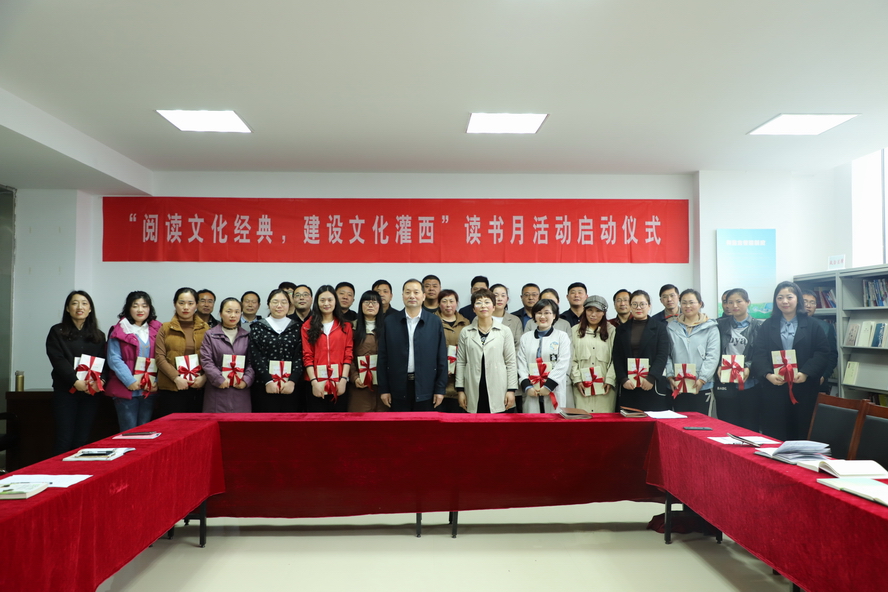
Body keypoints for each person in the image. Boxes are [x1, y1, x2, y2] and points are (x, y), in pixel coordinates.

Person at [751, 281, 830, 441]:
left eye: (789, 297)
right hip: (775, 387)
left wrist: (806, 372)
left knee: (802, 431)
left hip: (804, 387)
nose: (784, 301)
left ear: (798, 299)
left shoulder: (812, 325)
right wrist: (768, 375)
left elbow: (822, 352)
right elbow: (758, 354)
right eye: (780, 298)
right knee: (775, 432)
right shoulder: (767, 325)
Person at [45, 290, 108, 454]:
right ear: (67, 308)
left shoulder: (99, 336)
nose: (80, 307)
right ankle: (58, 469)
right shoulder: (57, 332)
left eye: (84, 303)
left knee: (82, 440)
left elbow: (104, 362)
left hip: (90, 393)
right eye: (74, 303)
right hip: (65, 392)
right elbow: (58, 360)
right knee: (64, 439)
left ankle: (78, 470)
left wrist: (100, 381)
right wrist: (75, 381)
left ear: (90, 309)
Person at [377, 279, 447, 412]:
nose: (412, 296)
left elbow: (441, 357)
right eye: (408, 292)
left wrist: (440, 389)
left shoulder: (434, 322)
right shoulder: (390, 321)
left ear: (423, 296)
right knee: (400, 423)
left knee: (424, 423)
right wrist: (384, 389)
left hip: (426, 387)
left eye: (416, 292)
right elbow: (382, 358)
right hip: (398, 387)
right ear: (402, 295)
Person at [105, 291, 162, 432]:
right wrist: (129, 380)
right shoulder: (119, 330)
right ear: (128, 308)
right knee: (129, 432)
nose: (140, 310)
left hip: (149, 389)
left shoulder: (158, 329)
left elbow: (162, 357)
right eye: (135, 306)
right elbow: (114, 358)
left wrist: (157, 382)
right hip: (126, 388)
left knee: (145, 431)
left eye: (144, 306)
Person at [455, 289, 518, 413]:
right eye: (478, 303)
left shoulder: (504, 331)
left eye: (487, 302)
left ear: (493, 307)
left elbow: (511, 362)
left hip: (499, 387)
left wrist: (511, 390)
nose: (483, 306)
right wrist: (460, 390)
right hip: (472, 388)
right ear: (473, 309)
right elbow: (461, 362)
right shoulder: (466, 332)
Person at [612, 290, 671, 411]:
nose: (638, 307)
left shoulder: (660, 328)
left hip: (651, 384)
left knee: (652, 420)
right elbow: (617, 356)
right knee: (629, 420)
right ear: (630, 306)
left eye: (642, 304)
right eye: (634, 304)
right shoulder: (621, 329)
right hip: (629, 385)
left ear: (649, 306)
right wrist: (623, 379)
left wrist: (652, 377)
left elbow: (662, 355)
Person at [154, 287, 209, 417]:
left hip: (197, 386)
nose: (186, 307)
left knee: (195, 425)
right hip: (171, 386)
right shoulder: (165, 328)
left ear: (196, 305)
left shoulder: (206, 328)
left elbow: (212, 357)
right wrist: (176, 378)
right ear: (175, 304)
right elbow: (160, 357)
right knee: (172, 425)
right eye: (181, 303)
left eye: (190, 303)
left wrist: (204, 378)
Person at [714, 288, 763, 431]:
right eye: (730, 302)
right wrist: (718, 365)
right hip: (726, 383)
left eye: (738, 301)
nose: (734, 305)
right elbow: (714, 350)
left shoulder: (759, 326)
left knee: (750, 426)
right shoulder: (720, 325)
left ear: (748, 302)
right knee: (727, 426)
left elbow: (761, 353)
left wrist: (749, 366)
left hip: (750, 383)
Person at [665, 289, 720, 414]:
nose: (687, 306)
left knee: (701, 422)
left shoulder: (711, 327)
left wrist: (702, 379)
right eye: (684, 303)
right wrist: (670, 376)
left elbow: (713, 356)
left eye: (691, 302)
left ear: (700, 303)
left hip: (702, 385)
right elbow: (666, 355)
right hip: (677, 385)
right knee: (679, 422)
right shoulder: (671, 327)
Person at [249, 289, 304, 413]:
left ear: (289, 305)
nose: (279, 306)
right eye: (275, 302)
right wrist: (268, 381)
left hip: (291, 386)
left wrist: (292, 381)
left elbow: (300, 356)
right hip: (264, 385)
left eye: (284, 302)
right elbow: (256, 356)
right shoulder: (258, 327)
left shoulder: (297, 327)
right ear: (268, 304)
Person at [302, 285, 354, 412]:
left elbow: (348, 354)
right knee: (317, 421)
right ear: (317, 302)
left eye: (330, 300)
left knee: (339, 420)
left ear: (335, 301)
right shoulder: (307, 326)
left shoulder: (345, 326)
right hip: (315, 382)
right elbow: (307, 355)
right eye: (322, 300)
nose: (326, 304)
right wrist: (314, 382)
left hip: (339, 382)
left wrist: (343, 380)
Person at [200, 298, 255, 413]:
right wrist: (218, 379)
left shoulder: (247, 336)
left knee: (241, 422)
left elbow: (252, 362)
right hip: (217, 390)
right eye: (229, 311)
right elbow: (206, 360)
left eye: (237, 312)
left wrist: (246, 380)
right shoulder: (210, 335)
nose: (233, 315)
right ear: (220, 313)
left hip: (241, 389)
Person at [517, 299, 572, 413]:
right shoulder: (526, 337)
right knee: (533, 420)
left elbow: (563, 363)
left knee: (553, 421)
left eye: (547, 313)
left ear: (554, 315)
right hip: (532, 389)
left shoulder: (561, 336)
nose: (542, 316)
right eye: (539, 313)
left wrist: (548, 386)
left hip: (553, 389)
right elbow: (521, 363)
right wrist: (527, 386)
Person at [569, 296, 617, 413]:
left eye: (598, 311)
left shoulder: (612, 330)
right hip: (581, 386)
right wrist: (577, 380)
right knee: (582, 419)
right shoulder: (574, 330)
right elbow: (571, 358)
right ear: (584, 311)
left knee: (603, 420)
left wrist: (610, 380)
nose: (593, 314)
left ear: (604, 313)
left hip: (605, 386)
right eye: (590, 310)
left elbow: (616, 359)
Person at [348, 290, 389, 412]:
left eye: (374, 302)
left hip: (382, 387)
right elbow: (347, 355)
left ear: (380, 306)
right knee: (360, 421)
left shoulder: (388, 327)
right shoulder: (351, 327)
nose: (370, 305)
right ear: (361, 305)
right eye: (367, 302)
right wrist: (355, 377)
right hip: (359, 386)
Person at [435, 288, 470, 413]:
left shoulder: (466, 323)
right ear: (439, 303)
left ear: (457, 303)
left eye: (451, 301)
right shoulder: (431, 321)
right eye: (444, 301)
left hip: (460, 379)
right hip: (438, 379)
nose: (448, 305)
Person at [801, 289, 838, 393]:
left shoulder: (825, 327)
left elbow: (832, 355)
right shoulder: (789, 326)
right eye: (804, 302)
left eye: (812, 303)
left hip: (817, 380)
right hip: (794, 378)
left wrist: (824, 375)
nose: (808, 306)